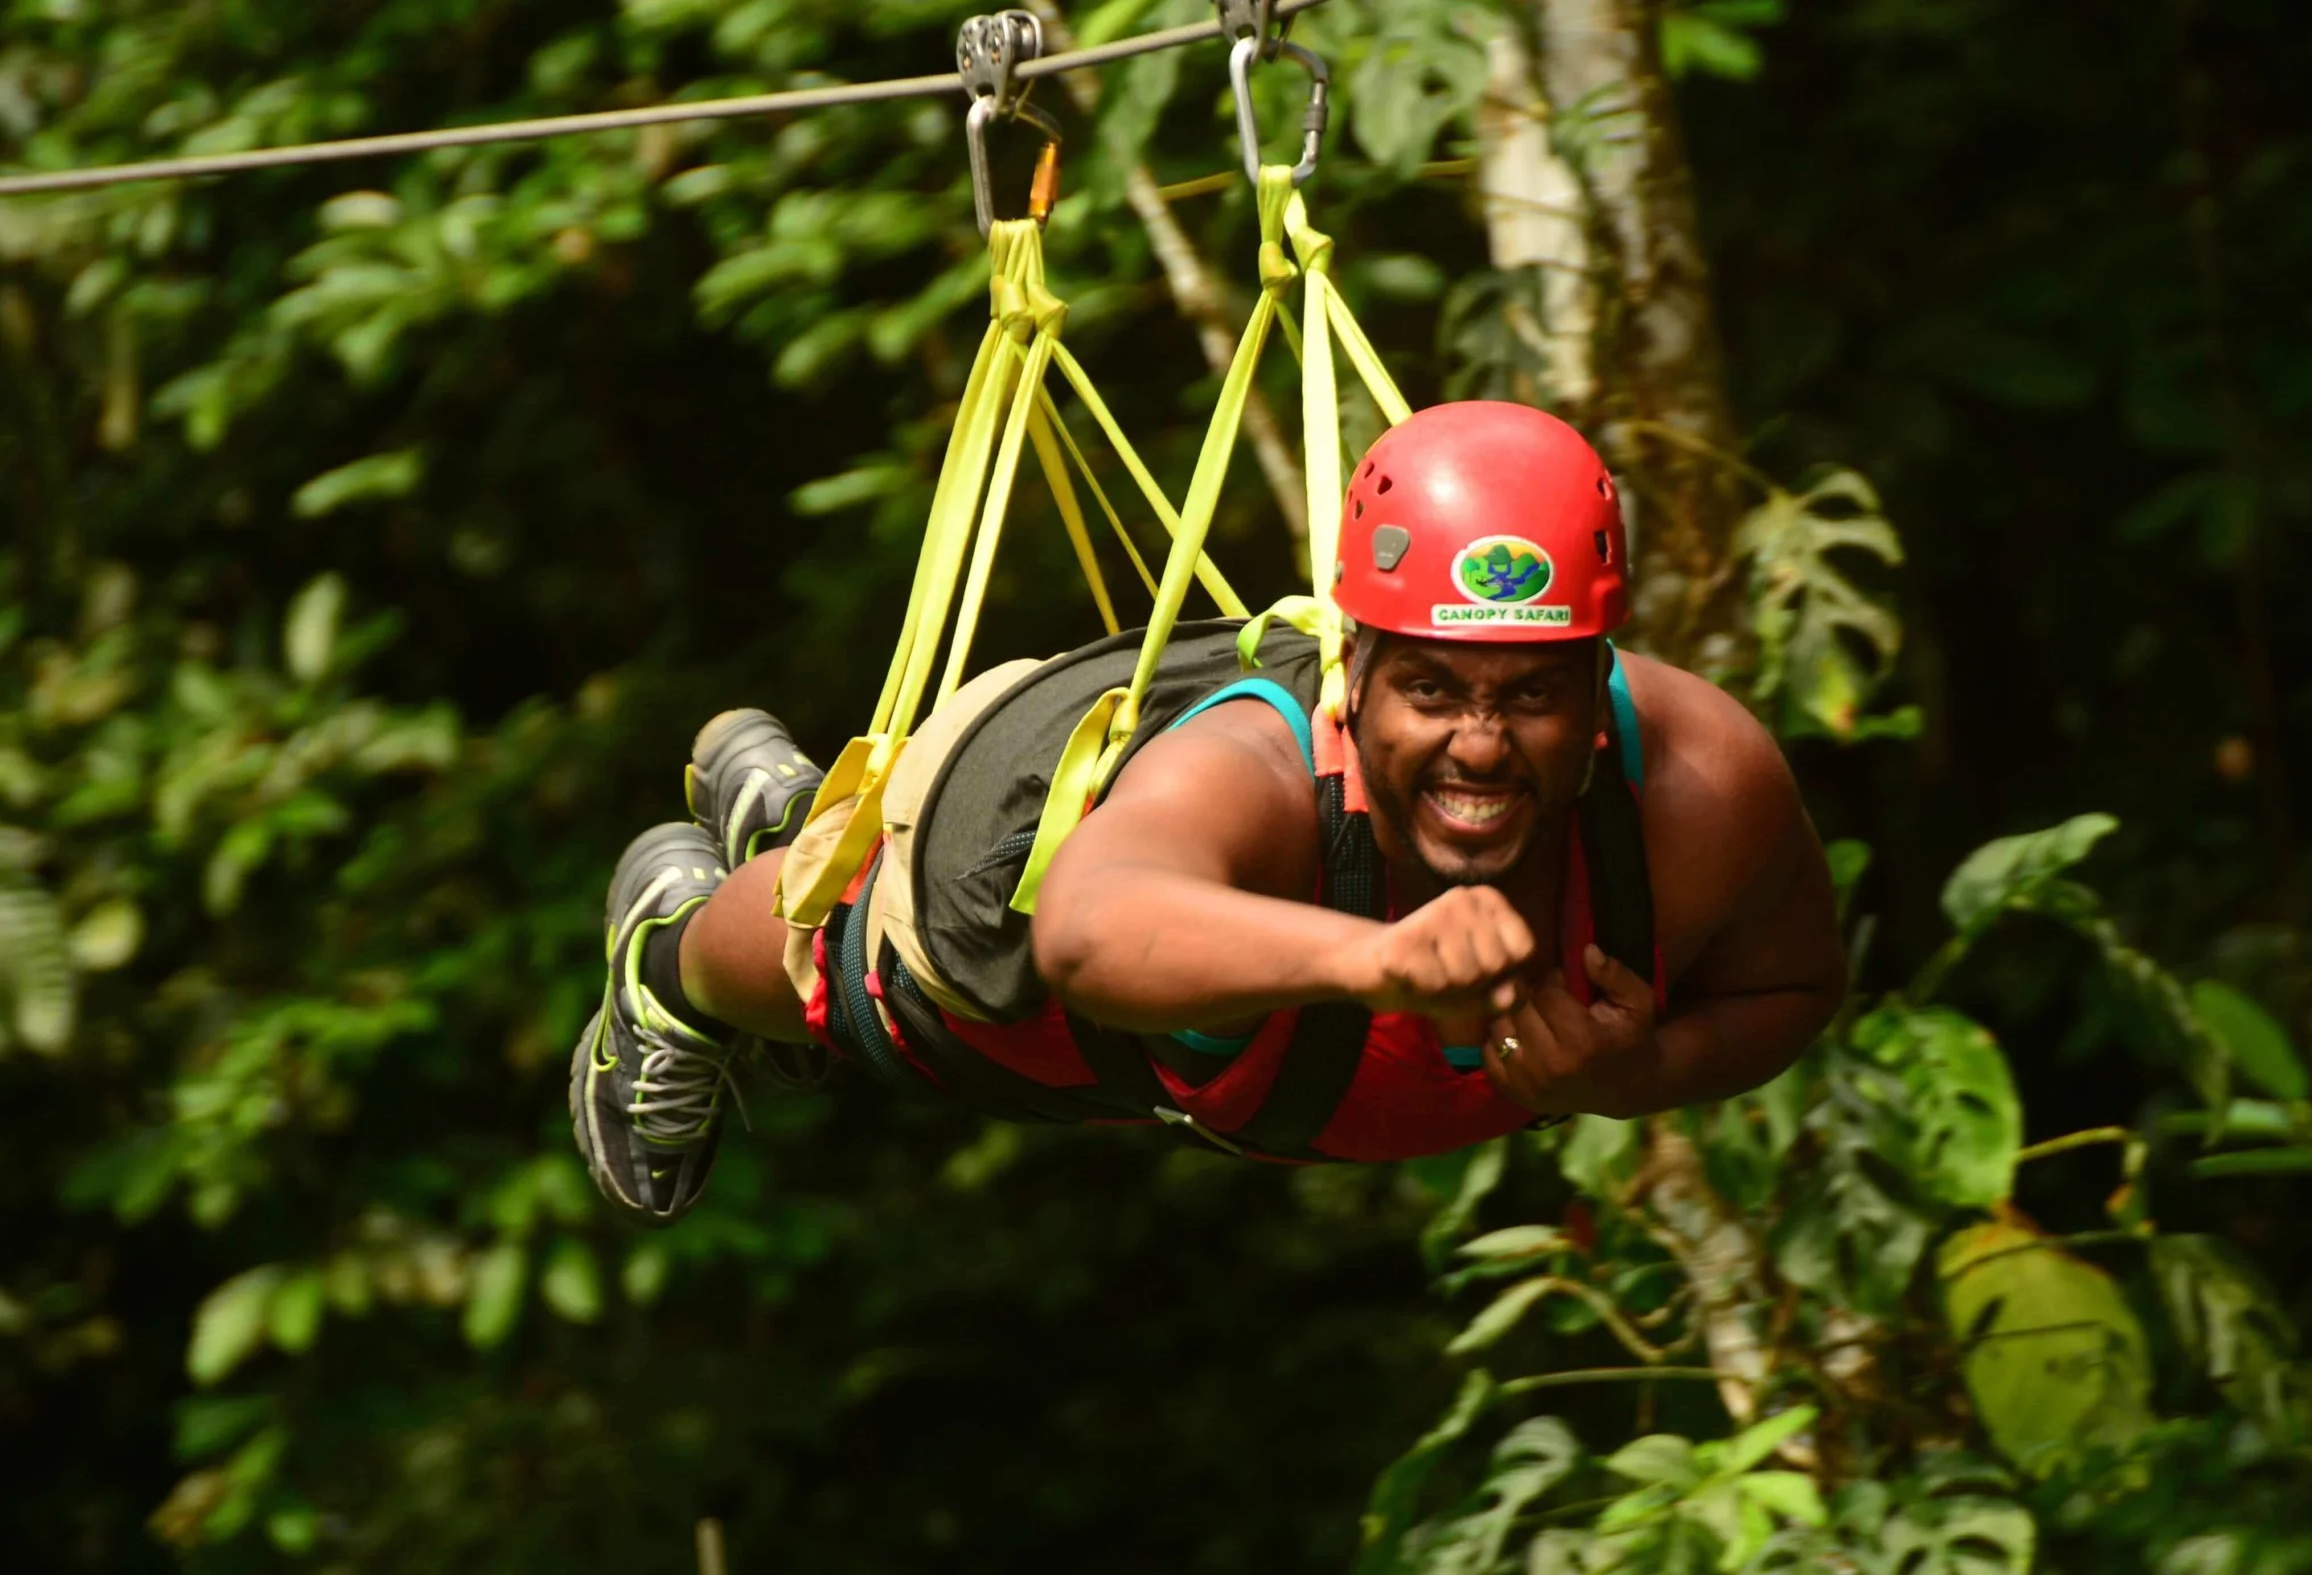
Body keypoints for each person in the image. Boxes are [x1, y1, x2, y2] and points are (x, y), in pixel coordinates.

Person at [570, 402, 1846, 1222]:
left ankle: (791, 815)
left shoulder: (1707, 788)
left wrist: (1645, 1071)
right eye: (1429, 690)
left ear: (1598, 680)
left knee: (849, 907)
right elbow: (1087, 926)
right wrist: (1380, 960)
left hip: (1253, 1073)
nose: (1478, 745)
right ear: (1352, 672)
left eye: (1532, 695)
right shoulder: (1256, 766)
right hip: (1071, 1002)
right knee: (855, 970)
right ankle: (669, 963)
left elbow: (1793, 987)